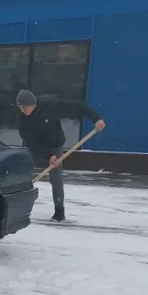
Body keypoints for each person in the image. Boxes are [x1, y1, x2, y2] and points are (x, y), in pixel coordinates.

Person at [15, 89, 106, 222]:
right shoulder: (22, 120)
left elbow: (78, 106)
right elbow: (30, 142)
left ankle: (59, 210)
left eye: (25, 107)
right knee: (24, 169)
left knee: (56, 177)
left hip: (55, 144)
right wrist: (48, 156)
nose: (23, 110)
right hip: (36, 148)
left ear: (33, 104)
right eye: (20, 107)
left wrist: (96, 118)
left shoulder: (50, 106)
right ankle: (17, 207)